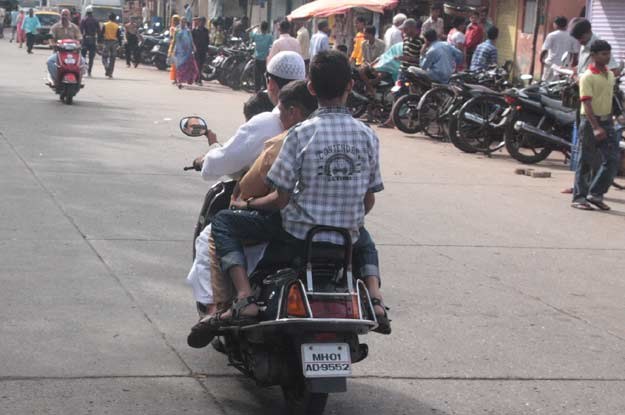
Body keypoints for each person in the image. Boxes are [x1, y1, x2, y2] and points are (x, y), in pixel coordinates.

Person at [187, 50, 390, 348]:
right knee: (364, 236)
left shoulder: (298, 134)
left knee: (223, 222)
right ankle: (376, 299)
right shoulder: (368, 136)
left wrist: (248, 204)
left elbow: (279, 200)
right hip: (345, 241)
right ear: (350, 86)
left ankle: (244, 298)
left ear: (310, 87)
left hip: (295, 239)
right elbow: (368, 202)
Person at [185, 51, 306, 320]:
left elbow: (224, 161)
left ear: (270, 83)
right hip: (313, 217)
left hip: (274, 215)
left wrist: (209, 157)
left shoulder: (267, 124)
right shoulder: (320, 124)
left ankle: (217, 309)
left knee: (213, 235)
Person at [571, 40, 619, 211]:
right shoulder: (587, 77)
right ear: (593, 55)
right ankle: (579, 197)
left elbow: (612, 97)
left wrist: (616, 116)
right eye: (603, 54)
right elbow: (587, 104)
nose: (607, 57)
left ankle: (596, 193)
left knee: (612, 160)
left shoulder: (610, 75)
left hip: (607, 121)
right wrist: (596, 126)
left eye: (608, 53)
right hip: (591, 121)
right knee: (586, 160)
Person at [379, 18, 422, 128]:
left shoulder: (420, 41)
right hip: (402, 72)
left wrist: (407, 58)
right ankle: (392, 119)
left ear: (413, 28)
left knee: (411, 97)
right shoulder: (406, 39)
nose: (404, 31)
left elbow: (421, 60)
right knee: (397, 94)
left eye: (406, 29)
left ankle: (401, 120)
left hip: (413, 74)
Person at [47, 9, 82, 83]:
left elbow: (79, 38)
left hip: (73, 53)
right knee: (49, 62)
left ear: (70, 17)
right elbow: (50, 38)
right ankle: (56, 78)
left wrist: (79, 45)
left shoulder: (74, 27)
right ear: (60, 16)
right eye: (63, 15)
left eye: (66, 15)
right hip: (59, 52)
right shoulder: (55, 27)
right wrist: (52, 44)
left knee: (84, 63)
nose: (64, 17)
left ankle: (79, 80)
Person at [540, 16, 578, 81]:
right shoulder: (572, 36)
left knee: (546, 83)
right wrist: (572, 65)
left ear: (556, 25)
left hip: (551, 64)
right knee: (562, 84)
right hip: (564, 66)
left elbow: (545, 50)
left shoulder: (551, 35)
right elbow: (575, 53)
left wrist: (541, 59)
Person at [172, 17, 198, 87]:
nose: (183, 23)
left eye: (184, 22)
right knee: (179, 67)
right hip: (179, 51)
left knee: (189, 66)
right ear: (180, 22)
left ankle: (188, 79)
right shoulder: (176, 30)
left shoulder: (188, 31)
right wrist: (172, 49)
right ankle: (179, 81)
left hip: (187, 51)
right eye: (182, 22)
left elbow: (191, 40)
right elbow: (174, 40)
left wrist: (194, 46)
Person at [249, 21, 273, 91]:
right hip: (265, 60)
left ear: (261, 28)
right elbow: (271, 46)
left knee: (257, 78)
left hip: (257, 59)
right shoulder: (269, 36)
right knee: (265, 77)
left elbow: (250, 33)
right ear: (267, 28)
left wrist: (254, 27)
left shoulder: (256, 36)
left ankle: (257, 92)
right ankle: (265, 91)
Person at [101, 13, 121, 78]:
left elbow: (102, 34)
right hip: (114, 43)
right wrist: (120, 44)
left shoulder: (105, 24)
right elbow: (118, 36)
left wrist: (100, 42)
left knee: (104, 57)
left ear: (108, 18)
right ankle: (110, 73)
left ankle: (107, 67)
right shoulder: (117, 26)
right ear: (114, 18)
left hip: (106, 42)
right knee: (113, 58)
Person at [80, 10, 99, 76]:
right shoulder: (96, 20)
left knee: (83, 56)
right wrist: (99, 41)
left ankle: (83, 69)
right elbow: (99, 31)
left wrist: (81, 39)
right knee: (91, 57)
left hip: (85, 40)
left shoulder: (83, 20)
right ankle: (89, 71)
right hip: (93, 40)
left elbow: (81, 30)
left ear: (86, 13)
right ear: (92, 14)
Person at [192, 17, 209, 85]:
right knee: (197, 64)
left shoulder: (206, 30)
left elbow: (207, 40)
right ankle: (198, 79)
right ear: (199, 22)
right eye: (201, 21)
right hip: (196, 50)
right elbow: (192, 40)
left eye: (204, 22)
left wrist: (207, 49)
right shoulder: (194, 30)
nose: (202, 23)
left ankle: (197, 78)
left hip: (203, 50)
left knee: (201, 65)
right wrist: (192, 48)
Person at [167, 15, 181, 83]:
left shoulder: (181, 28)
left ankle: (179, 78)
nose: (175, 21)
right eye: (174, 20)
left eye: (177, 20)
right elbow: (171, 38)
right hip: (173, 46)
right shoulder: (172, 28)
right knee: (174, 64)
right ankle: (175, 79)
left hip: (180, 47)